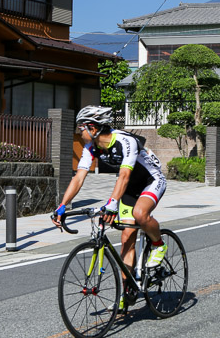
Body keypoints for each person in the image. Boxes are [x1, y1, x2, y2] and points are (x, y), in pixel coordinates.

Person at [52, 105, 168, 310]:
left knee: (140, 214)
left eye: (81, 128)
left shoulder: (126, 141)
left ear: (93, 129)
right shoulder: (91, 148)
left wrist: (111, 205)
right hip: (130, 188)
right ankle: (127, 292)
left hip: (151, 180)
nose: (79, 133)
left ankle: (158, 245)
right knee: (126, 238)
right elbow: (79, 178)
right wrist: (62, 206)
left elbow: (123, 175)